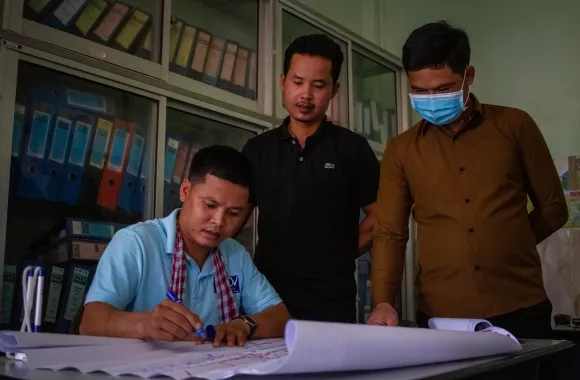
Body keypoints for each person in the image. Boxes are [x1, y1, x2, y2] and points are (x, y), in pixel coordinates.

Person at [367, 21, 568, 339]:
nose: (431, 98)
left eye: (444, 88)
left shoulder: (515, 126)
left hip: (521, 305)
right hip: (441, 316)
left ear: (468, 76)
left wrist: (507, 244)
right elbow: (390, 234)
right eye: (420, 91)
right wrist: (382, 302)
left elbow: (554, 209)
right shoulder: (401, 150)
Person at [80, 145, 290, 347]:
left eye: (233, 213)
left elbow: (280, 317)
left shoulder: (234, 254)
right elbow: (91, 322)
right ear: (185, 190)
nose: (218, 221)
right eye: (210, 205)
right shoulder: (137, 242)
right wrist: (144, 324)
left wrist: (245, 324)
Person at [241, 34, 380, 323]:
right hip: (264, 296)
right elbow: (233, 215)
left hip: (331, 300)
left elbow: (382, 217)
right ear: (283, 82)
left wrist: (337, 254)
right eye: (297, 82)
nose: (306, 95)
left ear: (334, 90)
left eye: (318, 86)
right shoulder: (257, 150)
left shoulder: (352, 149)